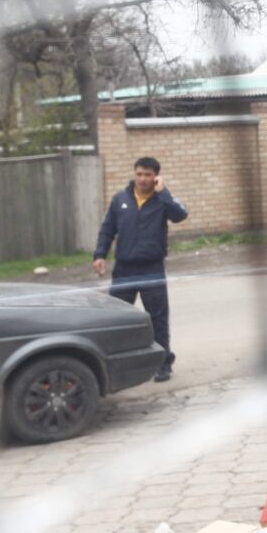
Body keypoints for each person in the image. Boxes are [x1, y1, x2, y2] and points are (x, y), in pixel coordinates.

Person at [93, 157, 189, 382]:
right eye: (139, 174)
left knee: (158, 319)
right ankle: (116, 366)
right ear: (134, 174)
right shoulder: (120, 199)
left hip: (152, 269)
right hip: (124, 269)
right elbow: (107, 229)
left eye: (147, 175)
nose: (142, 179)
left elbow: (180, 215)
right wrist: (99, 255)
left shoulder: (163, 201)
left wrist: (163, 193)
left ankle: (163, 364)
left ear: (156, 176)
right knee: (117, 318)